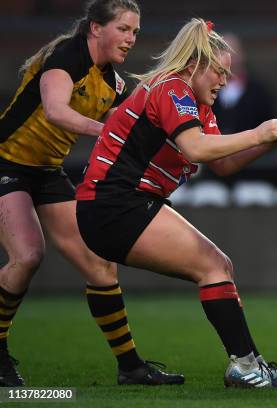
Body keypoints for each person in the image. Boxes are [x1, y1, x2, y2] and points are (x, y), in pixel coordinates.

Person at [75, 18, 277, 388]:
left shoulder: (196, 104)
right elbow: (196, 148)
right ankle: (246, 368)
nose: (225, 81)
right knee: (213, 265)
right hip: (115, 205)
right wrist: (257, 133)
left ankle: (249, 364)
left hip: (119, 204)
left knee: (219, 265)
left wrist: (270, 142)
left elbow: (224, 163)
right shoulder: (173, 89)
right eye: (219, 71)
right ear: (195, 64)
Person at [0, 0, 186, 387]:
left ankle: (130, 367)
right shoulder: (66, 56)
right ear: (95, 28)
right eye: (123, 29)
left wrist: (184, 145)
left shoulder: (113, 82)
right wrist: (107, 131)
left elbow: (136, 126)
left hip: (47, 172)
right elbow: (55, 110)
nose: (131, 38)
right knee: (29, 255)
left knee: (100, 265)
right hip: (6, 164)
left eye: (135, 31)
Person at [212, 32, 276, 134]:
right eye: (222, 53)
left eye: (232, 52)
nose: (228, 58)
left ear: (242, 55)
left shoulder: (259, 91)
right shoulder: (207, 90)